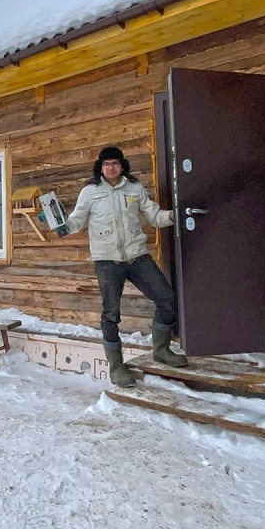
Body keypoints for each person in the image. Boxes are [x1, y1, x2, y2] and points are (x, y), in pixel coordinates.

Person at [59, 146, 188, 387]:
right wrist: (62, 224)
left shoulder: (134, 188)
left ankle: (161, 350)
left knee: (166, 298)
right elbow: (76, 221)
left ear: (122, 166)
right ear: (100, 168)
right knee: (111, 314)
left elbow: (154, 216)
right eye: (107, 164)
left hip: (137, 256)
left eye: (115, 164)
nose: (111, 168)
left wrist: (173, 215)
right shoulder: (90, 191)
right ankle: (117, 367)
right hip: (107, 261)